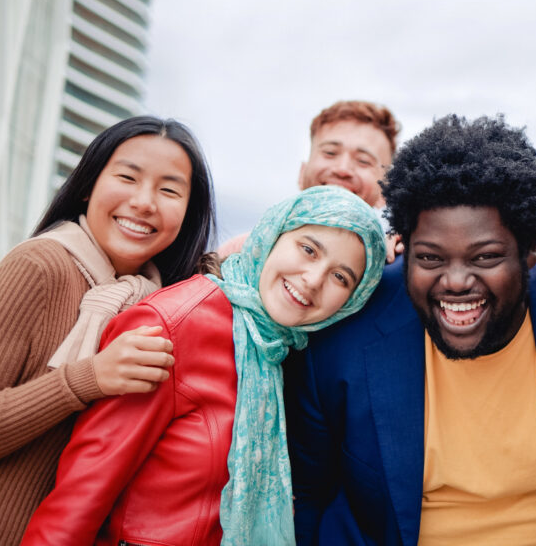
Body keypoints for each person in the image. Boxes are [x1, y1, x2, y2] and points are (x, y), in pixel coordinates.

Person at [287, 115, 536, 545]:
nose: (456, 281)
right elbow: (309, 494)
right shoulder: (347, 325)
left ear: (529, 250)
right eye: (431, 258)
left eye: (485, 257)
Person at [23, 186, 386, 546]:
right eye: (308, 249)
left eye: (342, 277)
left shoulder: (284, 350)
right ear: (272, 235)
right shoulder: (174, 326)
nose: (314, 278)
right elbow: (81, 497)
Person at [0, 116, 215, 545]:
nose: (144, 202)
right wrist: (86, 379)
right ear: (88, 185)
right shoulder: (38, 267)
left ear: (187, 214)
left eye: (169, 190)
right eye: (127, 177)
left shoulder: (160, 306)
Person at [217, 100, 400, 258]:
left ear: (386, 191)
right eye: (330, 152)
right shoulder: (237, 253)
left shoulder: (395, 264)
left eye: (363, 161)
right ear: (302, 173)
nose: (343, 169)